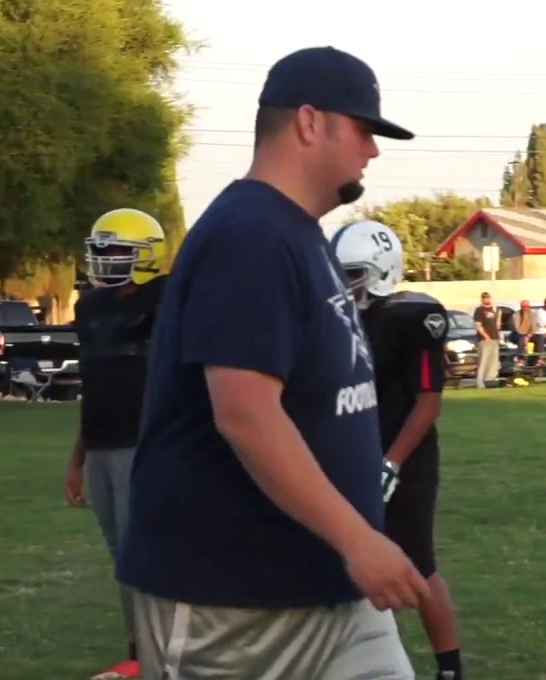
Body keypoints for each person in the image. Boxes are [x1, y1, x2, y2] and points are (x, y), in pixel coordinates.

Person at [115, 46, 429, 680]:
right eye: (364, 130)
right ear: (310, 123)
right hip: (231, 601)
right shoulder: (249, 236)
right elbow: (246, 413)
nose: (373, 150)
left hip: (332, 591)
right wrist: (357, 539)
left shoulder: (298, 232)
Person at [332, 219, 466, 680]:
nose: (342, 285)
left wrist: (392, 462)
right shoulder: (340, 319)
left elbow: (429, 403)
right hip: (354, 452)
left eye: (351, 274)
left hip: (404, 455)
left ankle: (450, 668)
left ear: (380, 269)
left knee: (417, 562)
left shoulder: (411, 318)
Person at [66, 207, 169, 680]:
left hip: (144, 443)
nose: (106, 259)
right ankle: (140, 648)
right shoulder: (91, 306)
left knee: (142, 553)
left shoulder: (166, 299)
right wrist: (78, 456)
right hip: (103, 441)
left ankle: (153, 652)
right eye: (102, 250)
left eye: (117, 250)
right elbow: (96, 382)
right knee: (120, 554)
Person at [471, 292, 500, 388]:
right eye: (484, 298)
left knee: (493, 362)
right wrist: (485, 336)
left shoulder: (494, 310)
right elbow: (478, 325)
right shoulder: (479, 310)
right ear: (482, 299)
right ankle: (480, 382)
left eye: (488, 297)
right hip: (484, 339)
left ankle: (490, 381)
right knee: (483, 361)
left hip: (494, 338)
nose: (487, 299)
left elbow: (497, 324)